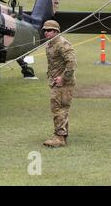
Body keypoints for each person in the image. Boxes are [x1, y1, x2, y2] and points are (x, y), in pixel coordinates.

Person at [42, 20, 77, 148]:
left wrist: (63, 78)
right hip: (56, 82)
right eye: (45, 30)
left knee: (59, 109)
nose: (46, 33)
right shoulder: (50, 44)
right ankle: (62, 134)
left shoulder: (63, 44)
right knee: (60, 108)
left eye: (49, 30)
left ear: (56, 31)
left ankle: (59, 138)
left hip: (64, 83)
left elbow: (72, 63)